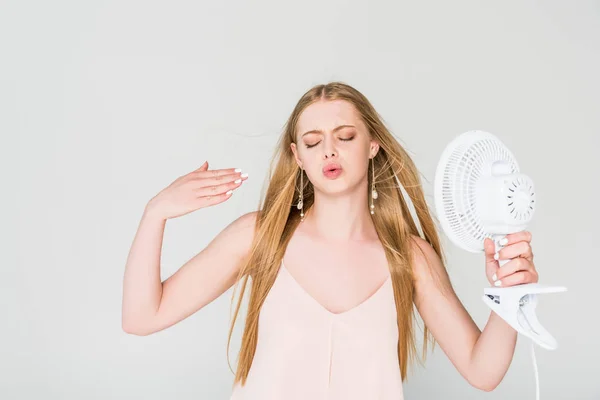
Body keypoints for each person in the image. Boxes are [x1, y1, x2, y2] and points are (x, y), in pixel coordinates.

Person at [121, 82, 540, 399]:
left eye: (345, 136)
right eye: (312, 141)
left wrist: (510, 292)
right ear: (297, 156)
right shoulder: (260, 237)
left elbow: (483, 372)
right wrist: (155, 212)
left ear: (373, 144)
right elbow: (141, 317)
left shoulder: (409, 257)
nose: (329, 151)